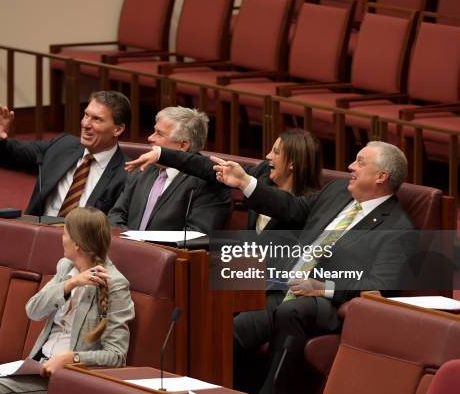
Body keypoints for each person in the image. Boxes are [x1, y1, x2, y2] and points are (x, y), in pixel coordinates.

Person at [214, 141, 416, 394]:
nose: (350, 166)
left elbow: (380, 286)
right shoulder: (337, 192)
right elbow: (292, 207)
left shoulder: (398, 229)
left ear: (381, 177)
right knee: (219, 303)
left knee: (274, 316)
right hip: (283, 285)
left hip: (325, 304)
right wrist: (245, 183)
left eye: (360, 162)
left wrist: (325, 288)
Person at [0, 207, 135, 394]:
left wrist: (71, 358)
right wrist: (69, 284)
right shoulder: (66, 268)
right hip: (39, 369)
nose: (61, 237)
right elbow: (33, 311)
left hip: (71, 379)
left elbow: (116, 356)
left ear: (77, 243)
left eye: (64, 233)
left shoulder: (115, 284)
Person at [126, 128, 322, 231]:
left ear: (293, 164)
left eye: (276, 152)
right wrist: (162, 155)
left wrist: (244, 182)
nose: (268, 156)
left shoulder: (310, 202)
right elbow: (204, 166)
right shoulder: (263, 173)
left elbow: (280, 204)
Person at [0, 91, 130, 216]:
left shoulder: (127, 174)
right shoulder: (62, 146)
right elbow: (11, 155)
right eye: (86, 115)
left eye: (96, 119)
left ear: (117, 129)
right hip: (40, 236)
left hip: (83, 245)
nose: (86, 124)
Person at [108, 106, 232, 234]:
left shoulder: (208, 184)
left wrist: (148, 248)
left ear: (183, 145)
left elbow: (196, 236)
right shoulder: (143, 168)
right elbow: (116, 215)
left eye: (159, 134)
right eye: (154, 131)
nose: (150, 138)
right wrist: (131, 244)